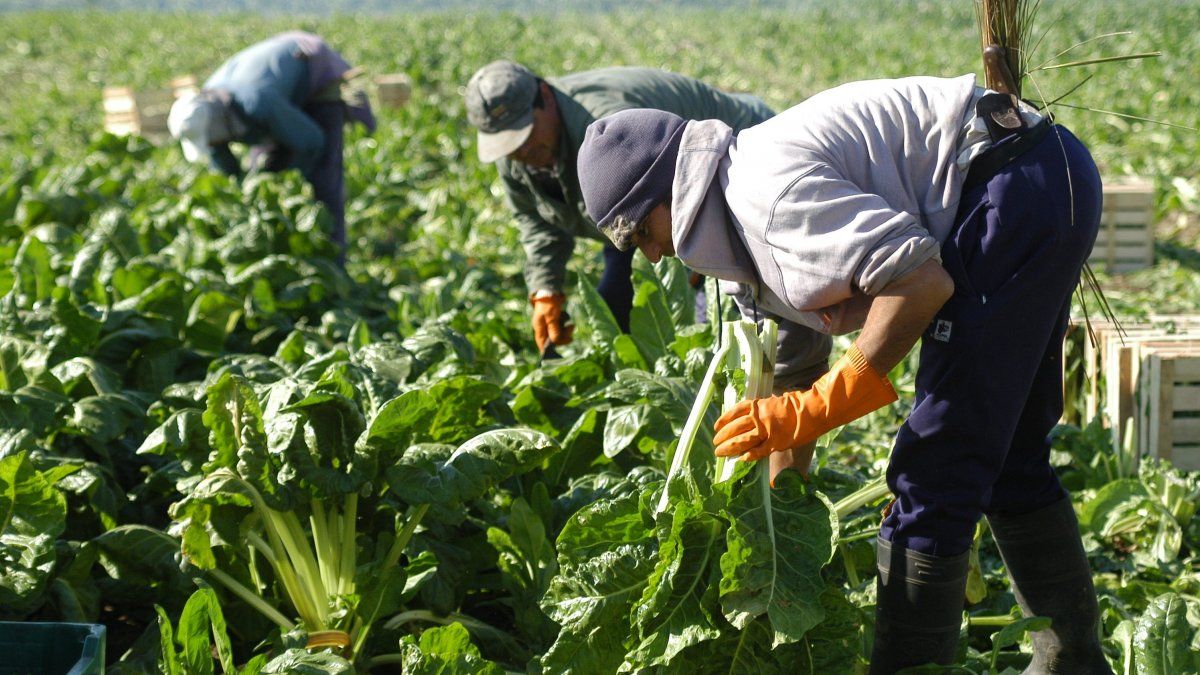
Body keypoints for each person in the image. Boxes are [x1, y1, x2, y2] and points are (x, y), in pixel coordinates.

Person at [575, 75, 1111, 674]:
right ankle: (1073, 664)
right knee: (1007, 453)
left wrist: (835, 397)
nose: (651, 255)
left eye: (644, 232)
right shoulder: (735, 234)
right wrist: (776, 516)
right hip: (1040, 176)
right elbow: (795, 376)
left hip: (1014, 188)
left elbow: (920, 282)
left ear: (669, 191)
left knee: (934, 471)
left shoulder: (767, 198)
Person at [464, 60, 774, 353]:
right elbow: (536, 220)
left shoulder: (607, 127)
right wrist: (546, 289)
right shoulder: (517, 157)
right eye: (508, 144)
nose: (521, 149)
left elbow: (680, 196)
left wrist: (695, 264)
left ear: (544, 95)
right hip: (639, 214)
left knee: (721, 319)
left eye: (525, 134)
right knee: (616, 304)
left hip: (727, 171)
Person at [167, 32, 375, 260]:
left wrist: (290, 181)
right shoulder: (210, 112)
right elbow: (225, 166)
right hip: (279, 90)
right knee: (263, 174)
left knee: (324, 180)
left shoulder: (256, 103)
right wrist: (245, 197)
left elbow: (313, 141)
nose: (213, 145)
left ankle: (335, 263)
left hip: (314, 72)